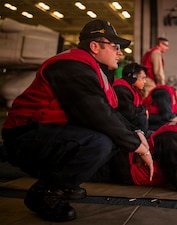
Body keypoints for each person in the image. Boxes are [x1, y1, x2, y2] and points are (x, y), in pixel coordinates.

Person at [1, 19, 153, 222]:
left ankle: (59, 182)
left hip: (46, 130)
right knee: (100, 142)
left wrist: (136, 133)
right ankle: (45, 193)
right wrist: (139, 148)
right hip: (24, 134)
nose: (120, 52)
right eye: (115, 46)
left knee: (115, 140)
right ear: (94, 46)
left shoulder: (93, 70)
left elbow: (111, 113)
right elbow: (98, 114)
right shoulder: (72, 66)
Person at [112, 62, 149, 136]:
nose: (145, 81)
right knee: (142, 119)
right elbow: (130, 113)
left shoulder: (131, 89)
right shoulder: (121, 90)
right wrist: (143, 110)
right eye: (143, 78)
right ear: (133, 77)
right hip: (120, 125)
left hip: (126, 124)